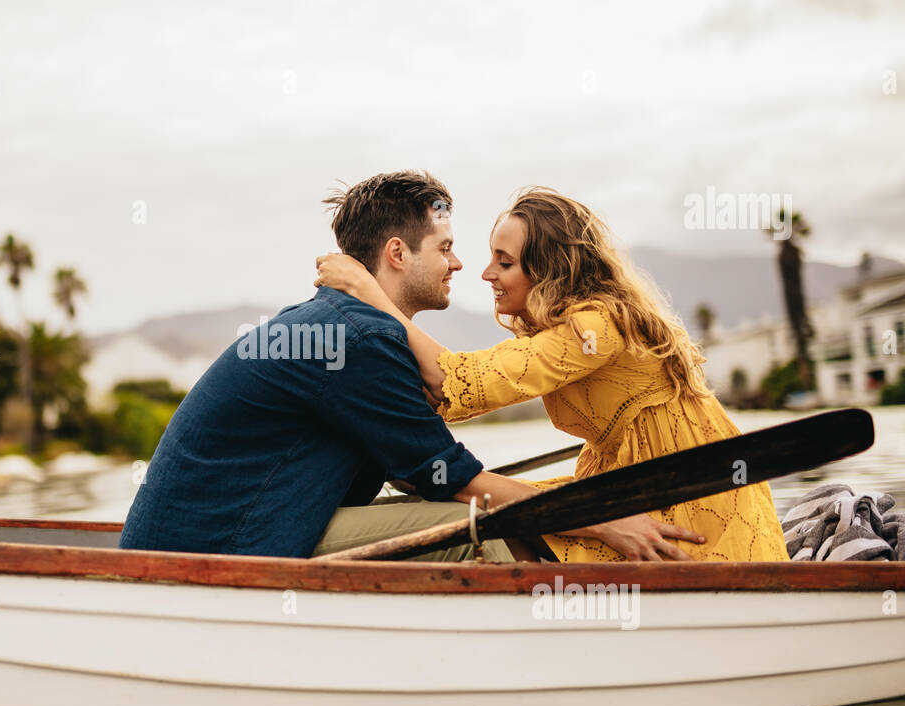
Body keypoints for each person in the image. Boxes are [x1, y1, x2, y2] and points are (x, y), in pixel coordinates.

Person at [119, 172, 703, 561]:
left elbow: (422, 475)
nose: (460, 263)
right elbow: (462, 485)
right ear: (398, 253)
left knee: (485, 514)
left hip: (215, 538)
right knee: (483, 537)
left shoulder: (348, 325)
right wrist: (601, 519)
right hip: (227, 550)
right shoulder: (359, 338)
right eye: (444, 247)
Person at [314, 186, 789, 563]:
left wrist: (369, 293)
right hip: (624, 482)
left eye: (505, 262)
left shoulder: (596, 325)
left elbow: (464, 380)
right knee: (482, 513)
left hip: (686, 499)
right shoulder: (562, 330)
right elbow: (449, 393)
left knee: (491, 523)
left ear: (549, 271)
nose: (485, 274)